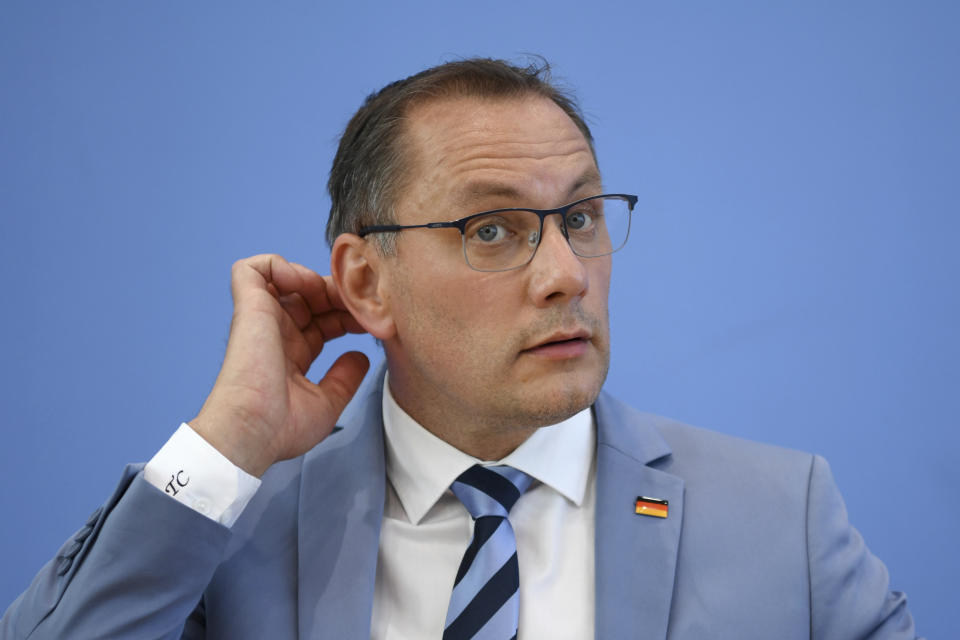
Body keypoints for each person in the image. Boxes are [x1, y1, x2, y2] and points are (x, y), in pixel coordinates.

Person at [2, 58, 920, 639]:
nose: (566, 273)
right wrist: (228, 443)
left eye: (583, 218)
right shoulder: (231, 536)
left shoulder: (784, 519)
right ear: (366, 283)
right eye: (492, 229)